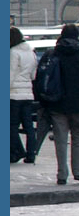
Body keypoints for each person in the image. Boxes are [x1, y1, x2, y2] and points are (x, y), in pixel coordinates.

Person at [35, 24, 79, 185]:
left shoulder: (52, 54)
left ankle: (62, 173)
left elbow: (40, 78)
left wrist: (42, 100)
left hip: (56, 103)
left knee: (60, 138)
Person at [10, 26, 37, 164]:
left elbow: (10, 74)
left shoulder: (13, 52)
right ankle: (31, 153)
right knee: (28, 126)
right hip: (28, 93)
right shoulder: (31, 52)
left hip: (14, 94)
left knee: (12, 125)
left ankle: (18, 151)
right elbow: (33, 75)